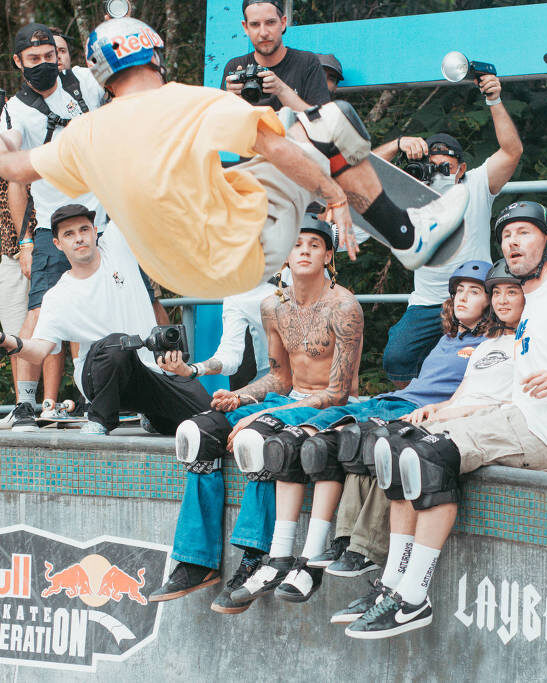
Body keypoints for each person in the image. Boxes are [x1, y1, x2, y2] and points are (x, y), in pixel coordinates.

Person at [0, 17, 469, 302]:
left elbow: (16, 169)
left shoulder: (84, 131)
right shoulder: (192, 100)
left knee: (243, 158)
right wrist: (331, 194)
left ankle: (312, 195)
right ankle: (407, 233)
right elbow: (278, 150)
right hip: (248, 250)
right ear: (155, 57)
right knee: (328, 119)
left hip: (182, 278)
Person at [343, 201, 547, 639]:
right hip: (517, 418)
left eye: (524, 232)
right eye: (506, 235)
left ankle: (413, 596)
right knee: (397, 441)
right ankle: (392, 582)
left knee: (427, 454)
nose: (513, 242)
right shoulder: (527, 305)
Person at [222, 260, 493, 606]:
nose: (462, 298)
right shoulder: (448, 336)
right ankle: (281, 557)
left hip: (407, 413)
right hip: (387, 400)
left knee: (331, 447)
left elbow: (475, 396)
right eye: (458, 291)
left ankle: (313, 561)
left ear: (490, 300)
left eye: (474, 292)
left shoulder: (491, 344)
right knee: (289, 445)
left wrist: (436, 412)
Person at [149, 218, 364, 608]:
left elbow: (337, 393)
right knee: (194, 435)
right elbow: (280, 379)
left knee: (255, 439)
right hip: (288, 399)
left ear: (328, 256)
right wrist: (243, 398)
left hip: (328, 410)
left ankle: (254, 558)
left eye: (314, 244)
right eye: (296, 244)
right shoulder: (273, 308)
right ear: (283, 256)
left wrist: (256, 417)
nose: (303, 251)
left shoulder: (344, 306)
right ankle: (197, 562)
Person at [0, 204, 211, 435]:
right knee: (119, 343)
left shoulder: (117, 247)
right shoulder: (58, 296)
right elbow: (39, 350)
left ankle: (155, 416)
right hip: (99, 378)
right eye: (69, 234)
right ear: (58, 244)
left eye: (84, 230)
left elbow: (129, 195)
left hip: (151, 372)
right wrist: (5, 341)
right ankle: (100, 420)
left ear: (95, 231)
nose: (79, 238)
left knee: (207, 415)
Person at [375, 71, 523, 387]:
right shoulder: (409, 191)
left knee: (483, 359)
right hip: (428, 301)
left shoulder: (476, 184)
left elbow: (511, 152)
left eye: (447, 167)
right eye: (432, 165)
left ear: (462, 170)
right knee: (397, 357)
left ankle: (463, 403)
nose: (439, 173)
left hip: (476, 295)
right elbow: (363, 173)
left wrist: (494, 100)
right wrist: (398, 143)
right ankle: (419, 398)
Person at [0, 23, 107, 430]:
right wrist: (25, 239)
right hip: (51, 225)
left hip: (104, 218)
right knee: (40, 309)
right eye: (33, 59)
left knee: (128, 304)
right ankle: (26, 404)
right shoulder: (15, 108)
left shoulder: (81, 80)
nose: (44, 64)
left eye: (49, 56)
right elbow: (13, 170)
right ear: (18, 63)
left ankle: (102, 398)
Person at [223, 0, 329, 111]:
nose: (263, 33)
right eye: (255, 25)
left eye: (270, 22)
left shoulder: (307, 63)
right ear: (245, 28)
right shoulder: (235, 67)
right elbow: (222, 123)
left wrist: (281, 90)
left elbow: (321, 122)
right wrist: (232, 101)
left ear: (283, 23)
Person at [0, 178, 33, 429]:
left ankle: (52, 406)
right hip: (7, 249)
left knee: (50, 327)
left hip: (47, 240)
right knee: (14, 332)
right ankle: (24, 405)